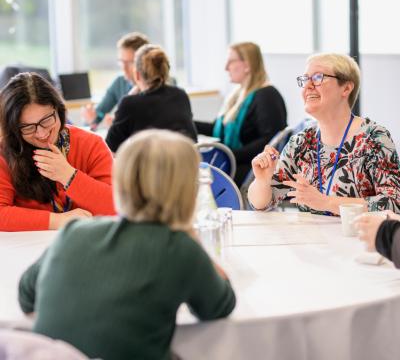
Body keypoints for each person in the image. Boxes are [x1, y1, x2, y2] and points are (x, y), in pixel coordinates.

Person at [18, 129, 236, 360]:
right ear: (187, 190)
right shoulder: (179, 248)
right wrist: (192, 237)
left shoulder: (73, 232)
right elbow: (220, 306)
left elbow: (26, 295)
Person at [248, 53, 400, 215]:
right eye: (305, 80)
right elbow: (260, 204)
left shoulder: (374, 137)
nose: (307, 86)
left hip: (358, 237)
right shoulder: (302, 142)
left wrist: (327, 202)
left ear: (346, 88)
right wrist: (262, 181)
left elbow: (394, 203)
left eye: (318, 77)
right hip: (311, 238)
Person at [0, 72, 115, 232]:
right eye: (27, 127)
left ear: (58, 110)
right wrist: (57, 221)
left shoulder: (90, 144)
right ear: (13, 128)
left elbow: (115, 207)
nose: (41, 133)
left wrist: (69, 176)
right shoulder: (4, 152)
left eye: (47, 120)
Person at [195, 41, 287, 186]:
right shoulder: (239, 94)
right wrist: (188, 122)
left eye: (231, 61)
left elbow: (269, 140)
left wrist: (230, 156)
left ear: (247, 65)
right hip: (238, 163)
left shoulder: (267, 95)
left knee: (197, 176)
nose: (226, 68)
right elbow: (218, 129)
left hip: (252, 169)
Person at [106, 44, 197, 152]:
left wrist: (129, 98)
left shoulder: (130, 103)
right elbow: (193, 139)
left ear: (137, 74)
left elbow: (110, 147)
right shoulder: (181, 95)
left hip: (150, 168)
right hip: (185, 166)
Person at [81, 32, 149, 130]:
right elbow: (99, 115)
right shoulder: (119, 83)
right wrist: (92, 120)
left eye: (130, 62)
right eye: (121, 62)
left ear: (144, 62)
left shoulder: (160, 84)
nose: (124, 68)